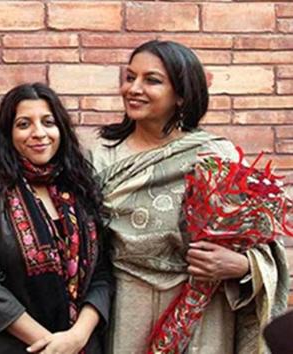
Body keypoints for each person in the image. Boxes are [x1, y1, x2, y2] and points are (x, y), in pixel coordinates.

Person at [91, 40, 289, 354]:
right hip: (125, 304)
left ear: (181, 94)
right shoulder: (99, 155)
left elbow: (263, 244)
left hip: (202, 308)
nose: (133, 88)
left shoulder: (214, 154)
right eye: (130, 77)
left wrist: (240, 266)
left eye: (151, 80)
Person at [0, 83, 112, 354]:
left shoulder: (78, 184)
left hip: (83, 344)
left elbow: (101, 273)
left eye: (48, 122)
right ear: (8, 133)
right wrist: (50, 345)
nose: (39, 133)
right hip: (14, 345)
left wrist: (76, 338)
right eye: (24, 124)